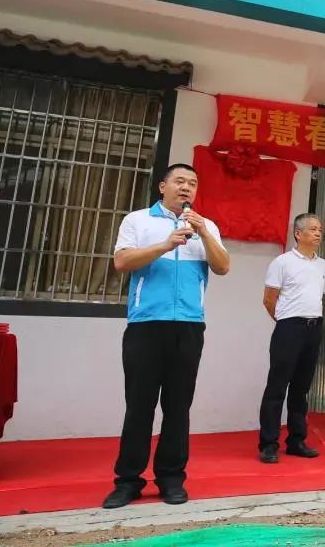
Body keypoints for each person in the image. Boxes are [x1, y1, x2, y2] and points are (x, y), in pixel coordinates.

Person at [102, 163, 230, 509]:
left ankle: (171, 478)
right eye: (180, 181)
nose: (186, 188)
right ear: (163, 186)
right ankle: (128, 481)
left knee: (178, 407)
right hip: (146, 325)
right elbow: (122, 262)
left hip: (188, 326)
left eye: (193, 183)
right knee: (139, 406)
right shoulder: (138, 221)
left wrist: (203, 233)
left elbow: (222, 266)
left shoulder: (206, 225)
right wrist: (164, 244)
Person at [257, 213, 325, 464]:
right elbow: (269, 300)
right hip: (289, 327)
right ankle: (268, 443)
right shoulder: (282, 262)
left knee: (301, 388)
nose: (318, 233)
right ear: (298, 233)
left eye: (320, 229)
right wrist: (286, 322)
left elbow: (319, 297)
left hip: (314, 327)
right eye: (313, 229)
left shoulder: (323, 265)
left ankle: (297, 440)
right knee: (277, 386)